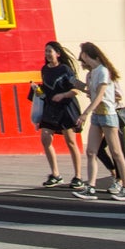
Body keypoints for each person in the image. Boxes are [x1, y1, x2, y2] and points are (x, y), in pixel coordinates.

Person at [72, 42, 125, 200]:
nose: (82, 58)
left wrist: (85, 113)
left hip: (108, 115)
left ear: (88, 54)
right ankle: (91, 186)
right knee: (91, 151)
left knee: (117, 153)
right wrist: (84, 88)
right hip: (97, 115)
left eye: (83, 54)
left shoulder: (103, 71)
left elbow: (100, 96)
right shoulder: (92, 74)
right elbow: (94, 95)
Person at [32, 41, 85, 187]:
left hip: (66, 108)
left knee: (71, 141)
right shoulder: (44, 70)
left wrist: (63, 95)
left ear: (58, 54)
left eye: (50, 51)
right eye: (46, 51)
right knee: (45, 138)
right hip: (50, 108)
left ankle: (78, 176)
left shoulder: (65, 69)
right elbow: (47, 89)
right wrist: (38, 91)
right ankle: (55, 174)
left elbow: (75, 90)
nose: (47, 54)